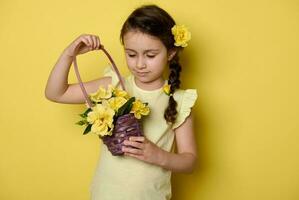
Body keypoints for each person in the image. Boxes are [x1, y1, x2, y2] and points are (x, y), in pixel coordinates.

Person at [45, 4, 198, 200]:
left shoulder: (179, 100)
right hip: (105, 195)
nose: (140, 64)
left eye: (150, 55)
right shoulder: (114, 85)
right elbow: (56, 93)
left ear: (170, 53)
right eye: (131, 54)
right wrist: (69, 54)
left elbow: (189, 161)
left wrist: (158, 155)